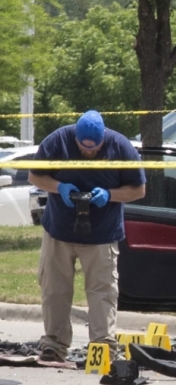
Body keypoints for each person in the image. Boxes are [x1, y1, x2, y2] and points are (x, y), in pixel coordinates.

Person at [29, 110, 146, 363]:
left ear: (103, 138)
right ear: (77, 138)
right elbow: (35, 176)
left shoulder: (121, 147)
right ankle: (54, 345)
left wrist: (109, 195)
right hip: (59, 231)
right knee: (54, 290)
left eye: (95, 147)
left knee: (102, 292)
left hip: (102, 235)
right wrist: (60, 188)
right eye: (84, 147)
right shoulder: (58, 140)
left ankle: (102, 346)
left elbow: (138, 190)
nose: (89, 151)